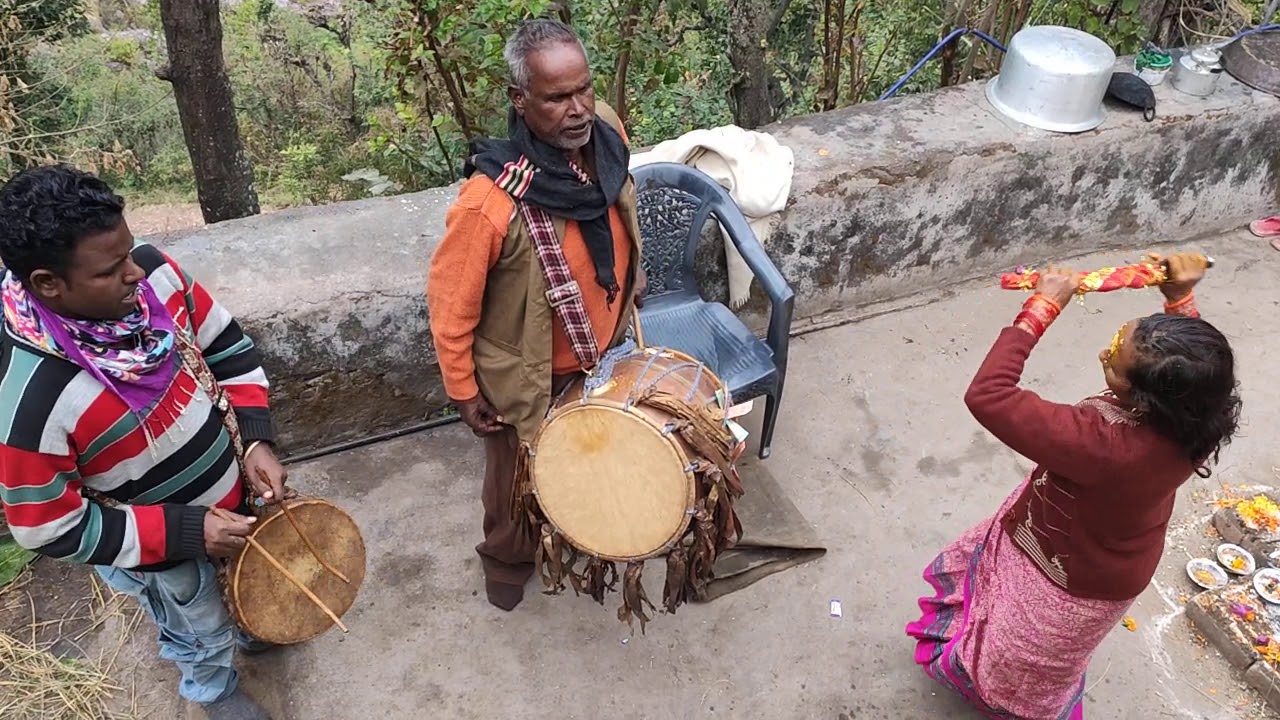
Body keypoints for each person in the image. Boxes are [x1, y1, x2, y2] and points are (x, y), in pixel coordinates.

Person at [0, 165, 289, 720]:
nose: (136, 272)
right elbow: (45, 525)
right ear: (47, 283)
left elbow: (227, 347)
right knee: (196, 622)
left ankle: (251, 626)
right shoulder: (34, 398)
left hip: (235, 501)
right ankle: (213, 687)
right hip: (162, 551)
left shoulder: (155, 275)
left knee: (249, 581)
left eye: (130, 253)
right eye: (112, 270)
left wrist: (255, 442)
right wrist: (183, 530)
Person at [905, 252, 1240, 719]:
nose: (1104, 355)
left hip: (1073, 574)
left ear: (1142, 399)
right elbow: (1200, 375)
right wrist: (1180, 299)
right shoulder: (1201, 418)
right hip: (1106, 550)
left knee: (1021, 659)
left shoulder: (1102, 444)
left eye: (1114, 366)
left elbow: (989, 395)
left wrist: (1041, 307)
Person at [426, 18, 646, 611]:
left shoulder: (605, 135)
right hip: (528, 376)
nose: (577, 109)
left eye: (584, 90)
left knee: (594, 453)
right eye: (556, 97)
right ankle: (506, 563)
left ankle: (588, 525)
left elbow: (621, 211)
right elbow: (451, 304)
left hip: (603, 347)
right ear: (519, 100)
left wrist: (631, 284)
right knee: (513, 483)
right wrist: (464, 389)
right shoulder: (489, 202)